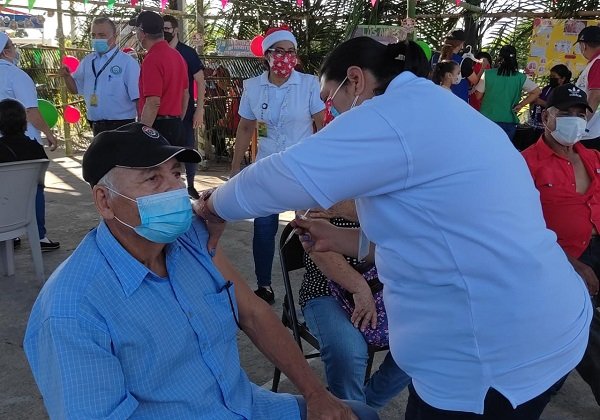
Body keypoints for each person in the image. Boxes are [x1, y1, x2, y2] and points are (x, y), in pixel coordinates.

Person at [195, 37, 592, 419]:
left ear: (356, 79)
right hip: (549, 324)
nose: (331, 114)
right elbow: (440, 231)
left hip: (492, 350)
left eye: (331, 101)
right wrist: (350, 238)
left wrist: (213, 206)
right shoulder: (438, 108)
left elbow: (285, 175)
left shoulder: (392, 115)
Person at [23, 122, 377, 420]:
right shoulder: (71, 312)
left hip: (245, 406)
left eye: (176, 173)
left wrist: (315, 392)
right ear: (104, 201)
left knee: (361, 414)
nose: (175, 189)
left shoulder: (191, 240)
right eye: (152, 179)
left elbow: (253, 314)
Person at [230, 26, 325, 304]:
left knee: (309, 227)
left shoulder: (308, 84)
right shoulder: (253, 87)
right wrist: (236, 167)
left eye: (291, 52)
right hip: (266, 169)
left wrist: (325, 167)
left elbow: (322, 125)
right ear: (267, 56)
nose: (286, 57)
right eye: (279, 52)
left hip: (301, 168)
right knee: (263, 229)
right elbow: (246, 127)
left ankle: (316, 284)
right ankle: (264, 285)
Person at [521, 83, 600, 404]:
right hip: (560, 259)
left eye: (581, 114)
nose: (574, 120)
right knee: (585, 328)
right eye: (565, 113)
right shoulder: (526, 164)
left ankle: (552, 376)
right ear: (547, 116)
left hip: (595, 250)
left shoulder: (594, 158)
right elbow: (521, 227)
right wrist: (571, 264)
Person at [298, 203, 411, 410]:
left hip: (380, 281)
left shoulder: (378, 182)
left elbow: (399, 225)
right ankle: (354, 409)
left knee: (421, 340)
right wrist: (358, 287)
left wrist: (345, 208)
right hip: (325, 287)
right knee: (348, 351)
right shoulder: (314, 183)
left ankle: (363, 407)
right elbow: (318, 246)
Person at [0, 33, 59, 251]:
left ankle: (8, 233)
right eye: (13, 46)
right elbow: (31, 111)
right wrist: (49, 133)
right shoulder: (17, 75)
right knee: (34, 186)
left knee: (3, 188)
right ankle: (39, 235)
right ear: (6, 51)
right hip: (22, 143)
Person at [59, 17, 140, 136]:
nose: (97, 39)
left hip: (122, 126)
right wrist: (67, 76)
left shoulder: (127, 63)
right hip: (96, 125)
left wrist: (141, 128)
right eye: (93, 35)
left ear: (114, 36)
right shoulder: (87, 61)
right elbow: (75, 89)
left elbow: (138, 98)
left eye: (102, 35)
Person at [130, 11, 188, 146]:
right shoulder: (177, 56)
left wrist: (142, 133)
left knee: (154, 166)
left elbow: (153, 102)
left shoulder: (152, 59)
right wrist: (177, 120)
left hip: (158, 127)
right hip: (176, 125)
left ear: (142, 33)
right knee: (175, 166)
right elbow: (186, 94)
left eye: (136, 31)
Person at [163, 14, 205, 199]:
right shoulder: (158, 52)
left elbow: (201, 81)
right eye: (161, 29)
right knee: (165, 150)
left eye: (167, 29)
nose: (164, 33)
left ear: (176, 30)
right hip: (163, 112)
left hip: (185, 111)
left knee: (188, 148)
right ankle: (168, 186)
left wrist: (200, 109)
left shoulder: (187, 53)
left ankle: (191, 185)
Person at [474, 45, 541, 141]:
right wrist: (521, 105)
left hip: (487, 119)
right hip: (509, 121)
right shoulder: (520, 77)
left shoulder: (488, 74)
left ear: (500, 57)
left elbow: (478, 96)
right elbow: (537, 91)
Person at [430, 29, 483, 102]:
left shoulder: (435, 58)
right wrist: (483, 67)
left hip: (438, 99)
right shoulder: (462, 62)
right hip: (458, 103)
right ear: (461, 44)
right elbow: (475, 81)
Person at [528, 64, 571, 140]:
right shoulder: (547, 88)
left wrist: (542, 103)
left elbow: (561, 108)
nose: (551, 78)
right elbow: (536, 100)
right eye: (550, 76)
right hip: (537, 125)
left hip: (552, 129)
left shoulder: (566, 91)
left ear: (563, 78)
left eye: (554, 77)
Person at [575, 25, 600, 112]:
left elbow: (595, 95)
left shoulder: (598, 62)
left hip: (594, 123)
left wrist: (582, 120)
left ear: (583, 45)